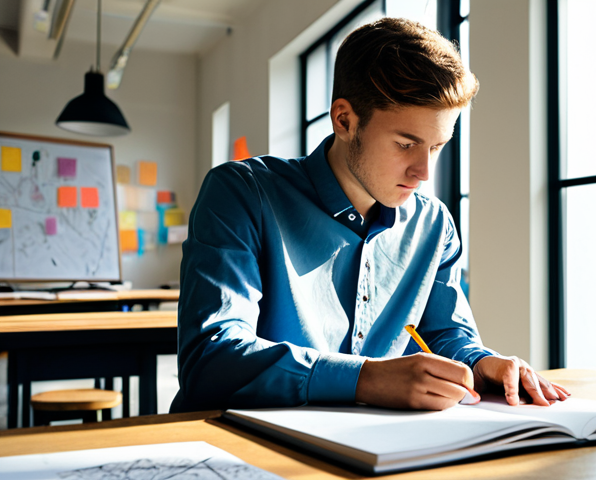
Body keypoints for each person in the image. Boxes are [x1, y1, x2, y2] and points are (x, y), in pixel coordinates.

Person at [170, 17, 569, 414]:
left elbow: (446, 336)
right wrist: (368, 378)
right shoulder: (241, 192)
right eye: (405, 144)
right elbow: (211, 359)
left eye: (436, 147)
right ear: (345, 120)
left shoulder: (434, 225)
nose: (423, 172)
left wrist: (482, 363)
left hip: (373, 452)